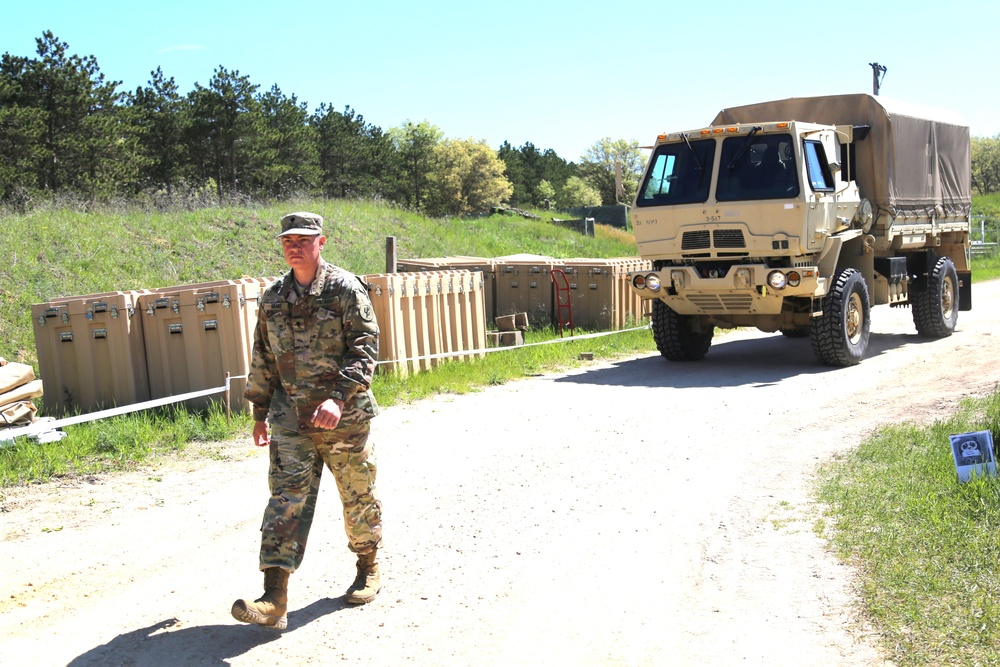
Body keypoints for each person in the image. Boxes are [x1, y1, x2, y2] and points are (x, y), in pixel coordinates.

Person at [231, 211, 382, 630]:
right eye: (288, 240)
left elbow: (365, 348)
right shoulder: (273, 296)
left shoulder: (345, 288)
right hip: (290, 419)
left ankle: (367, 565)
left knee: (356, 493)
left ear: (322, 241)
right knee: (285, 500)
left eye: (303, 238)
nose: (294, 245)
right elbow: (263, 356)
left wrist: (337, 399)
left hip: (343, 417)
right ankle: (273, 596)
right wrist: (260, 411)